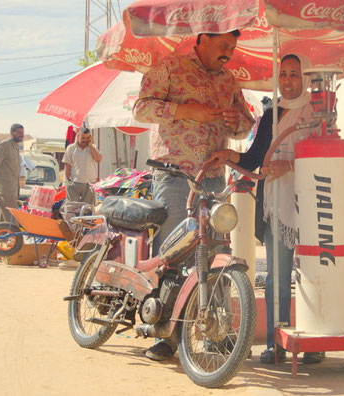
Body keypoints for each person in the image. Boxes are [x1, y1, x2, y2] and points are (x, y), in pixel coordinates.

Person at [132, 30, 255, 362]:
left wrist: (236, 121)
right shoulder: (170, 67)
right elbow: (141, 110)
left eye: (232, 47)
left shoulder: (229, 80)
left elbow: (245, 125)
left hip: (213, 178)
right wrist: (184, 111)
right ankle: (164, 335)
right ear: (202, 40)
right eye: (223, 45)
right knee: (174, 254)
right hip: (174, 175)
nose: (229, 52)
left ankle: (214, 333)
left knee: (214, 252)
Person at [207, 53, 325, 365]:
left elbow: (327, 155)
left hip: (316, 202)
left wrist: (290, 164)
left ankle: (315, 340)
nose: (288, 81)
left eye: (294, 74)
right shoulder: (271, 113)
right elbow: (253, 158)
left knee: (315, 273)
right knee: (277, 275)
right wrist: (227, 155)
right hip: (278, 204)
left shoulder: (318, 113)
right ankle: (277, 341)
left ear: (305, 77)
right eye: (283, 74)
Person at [0, 123, 24, 224]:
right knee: (11, 217)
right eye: (19, 133)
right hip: (5, 187)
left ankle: (0, 236)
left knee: (4, 215)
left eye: (22, 133)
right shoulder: (5, 145)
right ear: (12, 133)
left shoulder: (16, 147)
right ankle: (14, 238)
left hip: (12, 187)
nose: (21, 135)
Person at [62, 126, 102, 205]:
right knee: (73, 208)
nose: (85, 140)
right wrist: (68, 182)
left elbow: (98, 160)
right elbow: (67, 166)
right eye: (83, 138)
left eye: (87, 138)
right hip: (74, 183)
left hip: (89, 184)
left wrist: (91, 146)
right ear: (78, 136)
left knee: (87, 210)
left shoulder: (93, 147)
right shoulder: (71, 148)